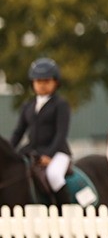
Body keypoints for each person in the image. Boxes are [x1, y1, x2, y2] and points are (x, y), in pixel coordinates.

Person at [10, 57, 73, 205]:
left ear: (55, 82)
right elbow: (18, 132)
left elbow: (61, 134)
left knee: (54, 175)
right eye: (38, 81)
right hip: (33, 151)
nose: (42, 85)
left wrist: (49, 155)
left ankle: (64, 209)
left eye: (46, 81)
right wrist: (9, 151)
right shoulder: (28, 106)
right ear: (33, 83)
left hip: (57, 152)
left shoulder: (61, 104)